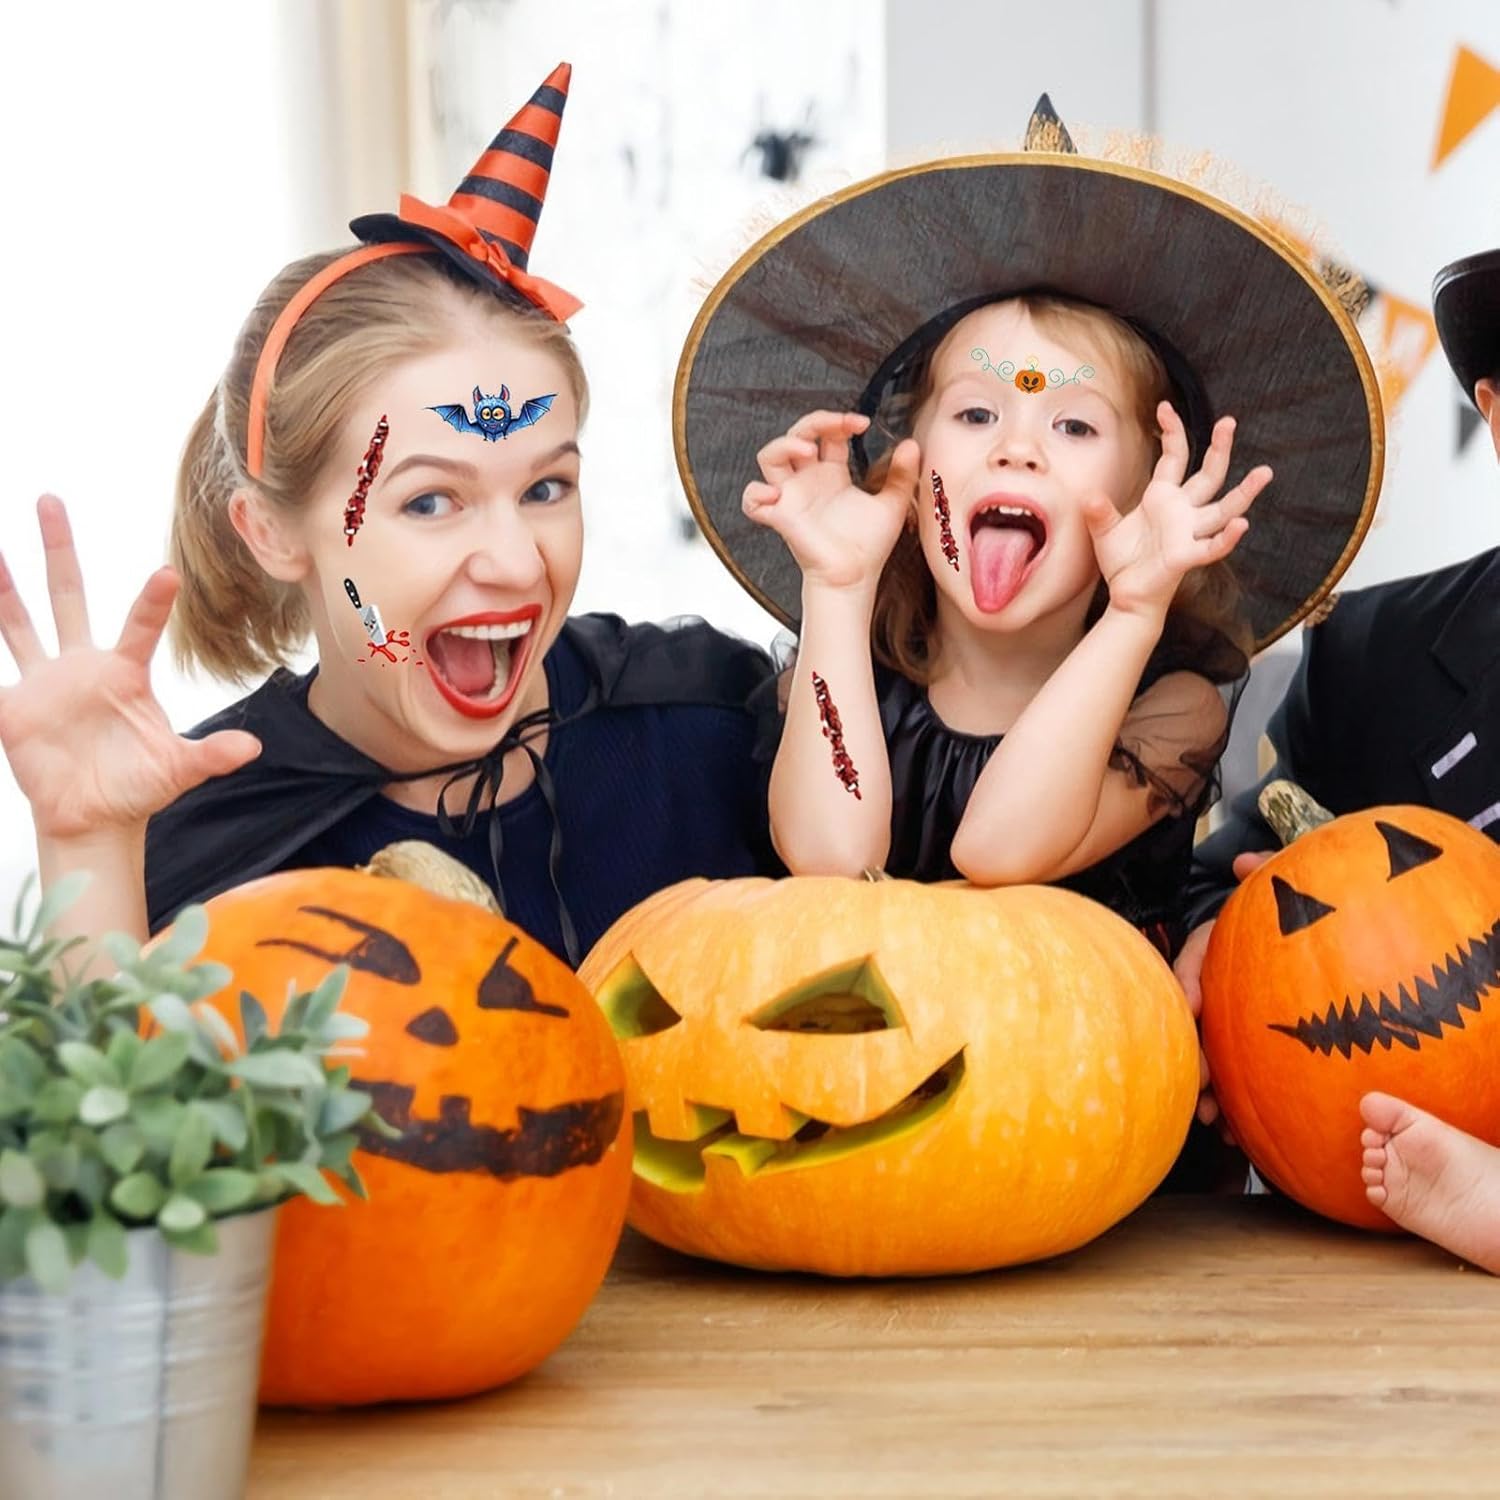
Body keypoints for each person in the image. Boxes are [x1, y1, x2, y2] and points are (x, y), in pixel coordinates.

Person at [0, 64, 780, 974]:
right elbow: (109, 1068)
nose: (515, 563)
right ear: (272, 532)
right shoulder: (200, 844)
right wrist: (89, 848)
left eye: (545, 488)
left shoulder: (704, 722)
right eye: (430, 501)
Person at [674, 95, 1382, 963]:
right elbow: (832, 860)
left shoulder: (1171, 713)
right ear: (908, 468)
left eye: (1074, 426)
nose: (1016, 448)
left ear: (1142, 499)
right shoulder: (840, 677)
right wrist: (838, 587)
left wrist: (1134, 614)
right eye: (975, 415)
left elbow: (999, 850)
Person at [1177, 247, 1500, 1270]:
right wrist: (1229, 946)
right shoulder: (1374, 655)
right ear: (1498, 417)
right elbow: (1220, 868)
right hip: (1387, 1234)